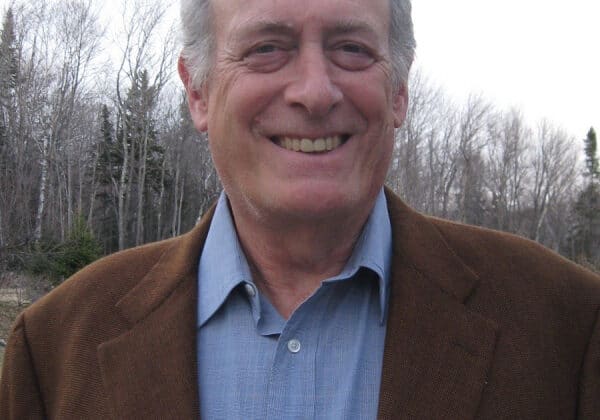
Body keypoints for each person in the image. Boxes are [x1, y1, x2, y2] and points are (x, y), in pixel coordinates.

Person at [1, 0, 599, 418]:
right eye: (267, 48)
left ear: (400, 91)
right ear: (197, 91)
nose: (314, 91)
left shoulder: (568, 329)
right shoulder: (54, 350)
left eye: (352, 49)